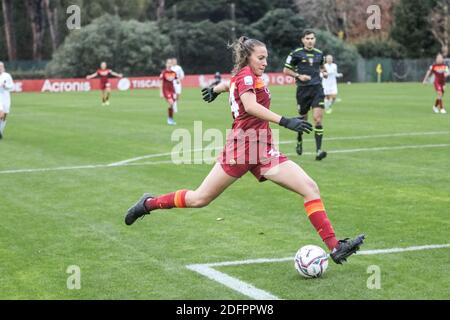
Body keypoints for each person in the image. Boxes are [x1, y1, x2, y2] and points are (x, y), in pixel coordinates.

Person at [125, 36, 365, 265]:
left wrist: (216, 89)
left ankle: (335, 247)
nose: (265, 62)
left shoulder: (249, 77)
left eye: (266, 57)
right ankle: (148, 204)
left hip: (263, 149)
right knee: (200, 198)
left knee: (310, 188)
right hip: (241, 149)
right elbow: (250, 106)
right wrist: (285, 121)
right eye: (261, 57)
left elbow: (232, 83)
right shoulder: (247, 76)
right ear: (248, 57)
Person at [283, 30, 328, 161]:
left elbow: (322, 68)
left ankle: (319, 151)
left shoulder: (320, 54)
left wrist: (324, 73)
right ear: (303, 40)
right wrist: (298, 76)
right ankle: (299, 139)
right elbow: (286, 70)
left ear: (315, 40)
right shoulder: (295, 54)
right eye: (307, 38)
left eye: (312, 38)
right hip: (303, 90)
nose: (310, 41)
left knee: (318, 119)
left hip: (317, 89)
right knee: (303, 120)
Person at [160, 59, 178, 125]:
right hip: (166, 90)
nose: (169, 64)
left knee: (172, 104)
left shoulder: (173, 72)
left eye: (170, 63)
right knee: (171, 102)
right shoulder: (163, 73)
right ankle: (170, 119)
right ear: (166, 64)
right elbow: (161, 82)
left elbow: (177, 79)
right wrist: (161, 92)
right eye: (168, 63)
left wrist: (178, 81)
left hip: (172, 90)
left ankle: (170, 118)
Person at [0, 61, 14, 140]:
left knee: (4, 117)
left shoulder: (7, 76)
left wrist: (5, 86)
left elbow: (12, 86)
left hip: (6, 98)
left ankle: (0, 132)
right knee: (1, 114)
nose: (0, 68)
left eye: (1, 66)